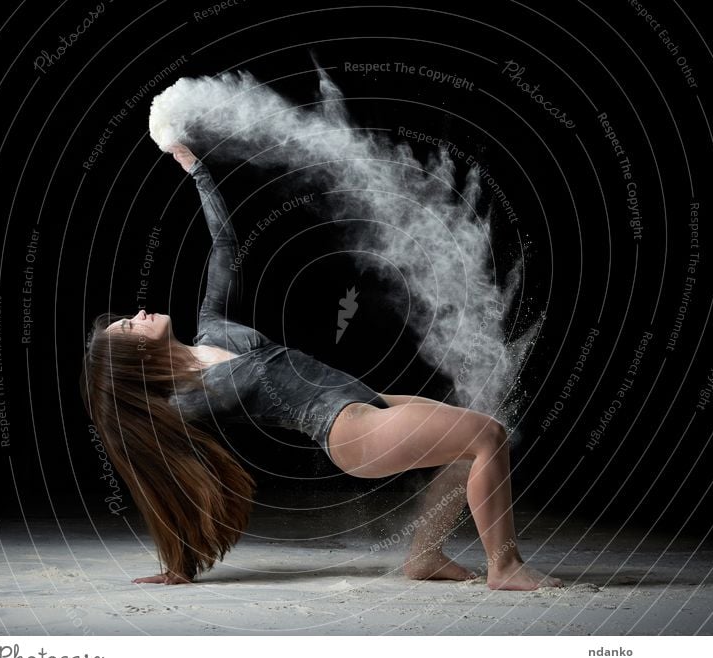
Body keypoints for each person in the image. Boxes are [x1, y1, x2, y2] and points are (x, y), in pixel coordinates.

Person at [80, 143, 563, 591]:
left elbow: (225, 244)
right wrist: (179, 564)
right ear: (136, 359)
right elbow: (168, 480)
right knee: (487, 438)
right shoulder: (187, 399)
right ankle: (504, 566)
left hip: (368, 400)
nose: (138, 315)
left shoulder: (213, 327)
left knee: (466, 448)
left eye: (128, 317)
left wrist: (196, 170)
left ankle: (424, 556)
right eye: (129, 327)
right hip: (349, 428)